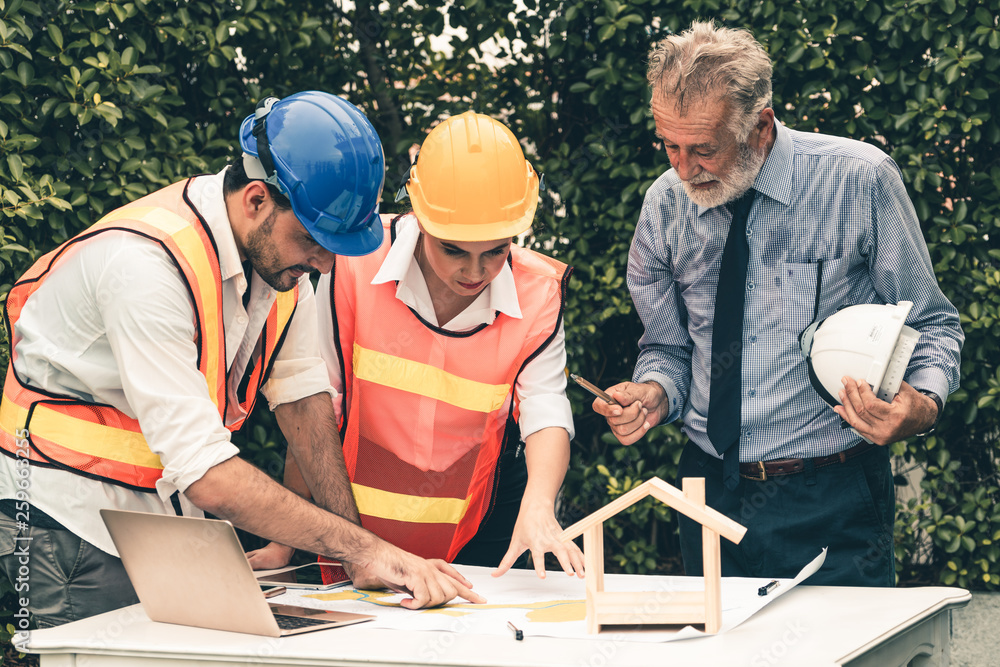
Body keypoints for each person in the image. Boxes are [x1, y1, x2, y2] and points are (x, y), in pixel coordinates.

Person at [0, 91, 483, 628]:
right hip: (65, 522)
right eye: (312, 239)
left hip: (157, 521)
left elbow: (303, 403)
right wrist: (363, 547)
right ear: (257, 200)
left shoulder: (279, 266)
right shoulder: (145, 267)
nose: (324, 262)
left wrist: (357, 554)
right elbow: (205, 471)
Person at [591, 22, 963, 586]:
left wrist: (922, 405)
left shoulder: (859, 179)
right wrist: (653, 393)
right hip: (707, 491)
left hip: (834, 493)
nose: (683, 170)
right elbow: (668, 347)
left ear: (761, 125)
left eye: (705, 149)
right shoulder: (664, 205)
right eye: (670, 145)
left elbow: (932, 322)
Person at [247, 111, 585, 580]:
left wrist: (540, 507)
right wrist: (286, 539)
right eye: (454, 250)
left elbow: (545, 408)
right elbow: (313, 403)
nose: (475, 272)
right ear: (420, 219)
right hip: (351, 533)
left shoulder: (538, 291)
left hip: (470, 538)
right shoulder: (352, 265)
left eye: (496, 250)